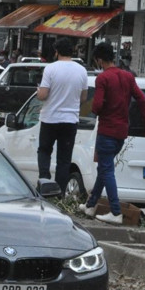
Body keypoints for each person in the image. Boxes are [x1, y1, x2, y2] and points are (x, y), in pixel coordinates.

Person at [79, 41, 145, 224]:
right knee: (104, 169)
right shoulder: (128, 77)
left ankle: (115, 211)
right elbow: (143, 101)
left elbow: (96, 106)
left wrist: (97, 109)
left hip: (107, 131)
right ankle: (90, 205)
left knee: (107, 170)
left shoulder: (103, 78)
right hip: (121, 132)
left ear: (99, 59)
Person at [36, 37, 88, 195]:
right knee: (64, 159)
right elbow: (84, 98)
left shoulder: (50, 69)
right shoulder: (82, 70)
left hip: (50, 118)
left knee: (44, 151)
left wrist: (39, 91)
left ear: (56, 52)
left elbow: (43, 95)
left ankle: (45, 181)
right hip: (70, 121)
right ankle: (59, 192)